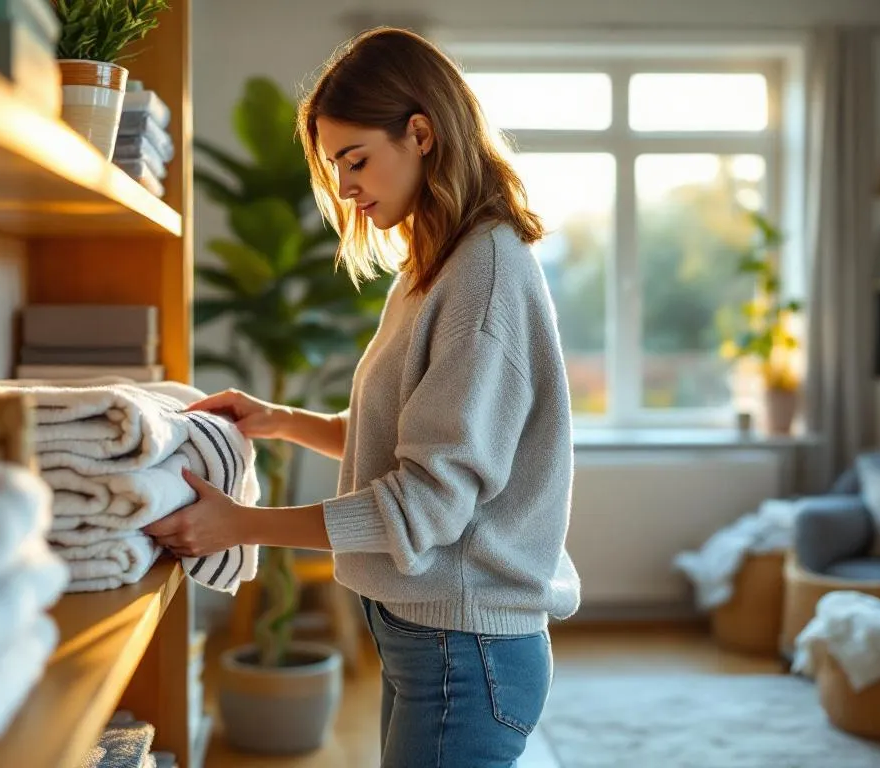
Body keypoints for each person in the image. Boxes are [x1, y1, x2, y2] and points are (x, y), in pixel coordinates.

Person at [142, 27, 580, 768]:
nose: (344, 187)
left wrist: (241, 525)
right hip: (436, 642)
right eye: (334, 165)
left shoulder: (484, 275)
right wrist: (283, 421)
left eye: (354, 160)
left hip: (464, 652)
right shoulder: (437, 265)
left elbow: (425, 503)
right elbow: (407, 442)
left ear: (421, 134)